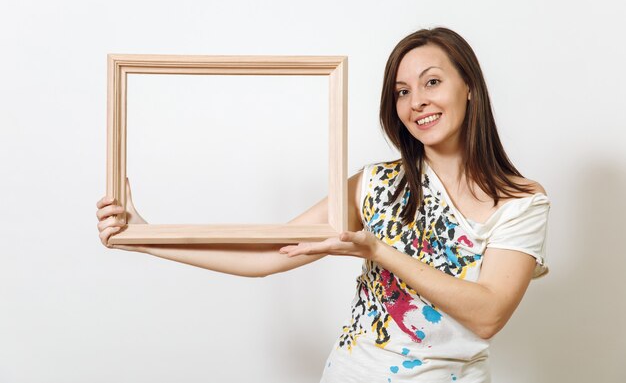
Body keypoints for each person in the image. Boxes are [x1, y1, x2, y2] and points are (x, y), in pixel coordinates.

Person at [95, 27, 550, 383]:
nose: (417, 102)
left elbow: (489, 314)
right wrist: (143, 235)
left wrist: (379, 252)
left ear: (469, 87)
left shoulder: (521, 201)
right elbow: (270, 255)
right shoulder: (374, 185)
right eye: (402, 91)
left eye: (432, 82)